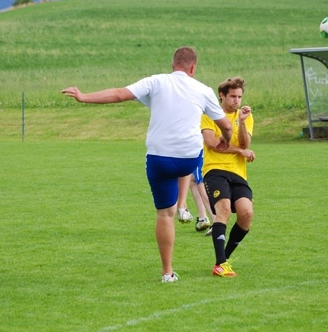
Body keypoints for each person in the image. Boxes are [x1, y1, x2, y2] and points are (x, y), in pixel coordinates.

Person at [61, 47, 233, 283]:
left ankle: (167, 272)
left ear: (172, 65)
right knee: (188, 164)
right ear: (193, 68)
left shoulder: (156, 81)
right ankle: (184, 205)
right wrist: (226, 139)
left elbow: (118, 94)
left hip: (160, 158)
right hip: (189, 159)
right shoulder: (203, 89)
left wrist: (83, 97)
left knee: (164, 214)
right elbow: (226, 125)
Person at [201, 76, 255, 277]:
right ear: (222, 96)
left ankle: (224, 258)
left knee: (246, 214)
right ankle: (220, 263)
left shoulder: (245, 116)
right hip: (215, 170)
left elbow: (245, 144)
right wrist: (239, 151)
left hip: (238, 173)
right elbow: (213, 143)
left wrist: (242, 122)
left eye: (239, 97)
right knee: (223, 209)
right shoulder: (210, 114)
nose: (236, 101)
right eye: (232, 96)